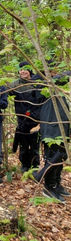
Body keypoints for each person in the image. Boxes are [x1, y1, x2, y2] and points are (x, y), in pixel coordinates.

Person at [37, 67, 71, 203]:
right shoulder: (43, 84)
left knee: (61, 156)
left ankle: (56, 184)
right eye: (53, 71)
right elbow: (57, 80)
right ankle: (49, 187)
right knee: (53, 157)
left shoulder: (59, 91)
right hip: (51, 130)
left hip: (61, 129)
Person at [9, 61, 41, 172]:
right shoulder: (16, 84)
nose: (23, 72)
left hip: (35, 119)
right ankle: (25, 165)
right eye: (21, 69)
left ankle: (35, 165)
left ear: (30, 70)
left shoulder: (36, 83)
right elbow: (4, 92)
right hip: (22, 119)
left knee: (35, 144)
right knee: (23, 144)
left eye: (25, 69)